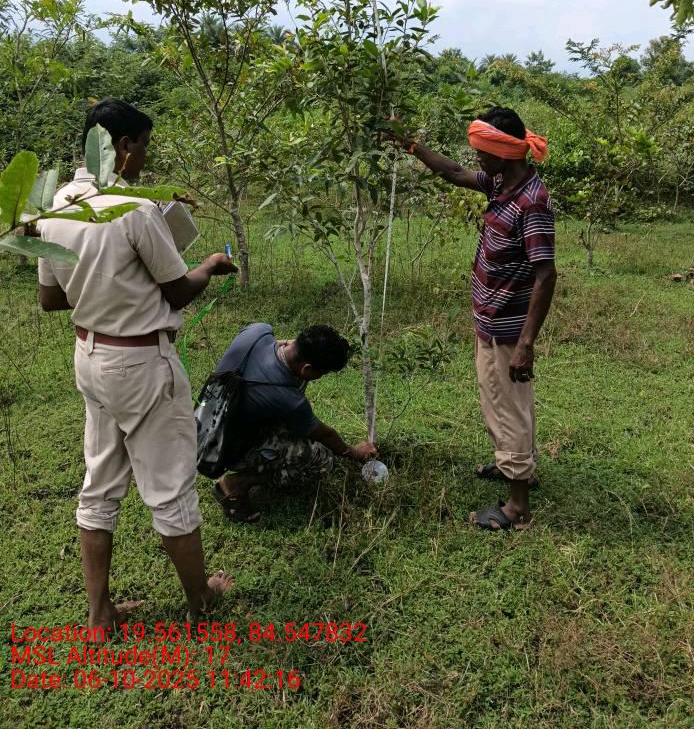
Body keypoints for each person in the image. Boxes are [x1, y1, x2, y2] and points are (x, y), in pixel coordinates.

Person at [37, 98, 237, 627]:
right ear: (122, 147)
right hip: (142, 364)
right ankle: (200, 604)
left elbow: (50, 298)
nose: (146, 156)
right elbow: (177, 291)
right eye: (144, 145)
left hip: (90, 356)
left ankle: (100, 615)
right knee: (170, 490)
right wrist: (210, 264)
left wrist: (106, 284)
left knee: (99, 485)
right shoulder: (134, 210)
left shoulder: (56, 205)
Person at [388, 106, 557, 530]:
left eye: (482, 151)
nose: (476, 158)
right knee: (500, 402)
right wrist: (409, 144)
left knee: (507, 407)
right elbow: (452, 172)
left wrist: (526, 344)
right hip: (490, 320)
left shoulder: (530, 203)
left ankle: (517, 508)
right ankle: (511, 465)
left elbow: (546, 275)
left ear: (504, 152)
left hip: (507, 329)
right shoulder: (501, 182)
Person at [209, 323, 378, 523]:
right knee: (321, 459)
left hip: (207, 423)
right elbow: (325, 435)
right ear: (307, 368)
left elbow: (284, 345)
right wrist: (354, 452)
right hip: (224, 451)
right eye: (321, 373)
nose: (319, 377)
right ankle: (236, 483)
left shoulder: (258, 331)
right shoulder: (289, 399)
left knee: (291, 415)